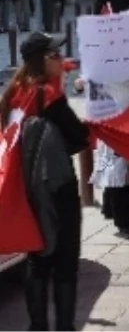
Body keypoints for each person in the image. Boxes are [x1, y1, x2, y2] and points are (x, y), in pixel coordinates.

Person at [0, 32, 90, 332]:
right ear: (44, 59)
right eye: (56, 55)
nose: (62, 60)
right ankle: (64, 327)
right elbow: (79, 139)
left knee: (38, 258)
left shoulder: (12, 94)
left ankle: (37, 327)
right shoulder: (49, 96)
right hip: (56, 188)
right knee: (64, 261)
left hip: (24, 188)